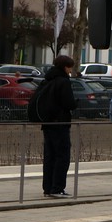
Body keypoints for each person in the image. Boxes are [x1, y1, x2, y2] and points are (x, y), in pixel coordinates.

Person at [39, 55, 78, 199]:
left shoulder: (47, 80)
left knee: (49, 157)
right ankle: (58, 187)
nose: (70, 70)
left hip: (47, 124)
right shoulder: (63, 82)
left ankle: (48, 187)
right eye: (70, 67)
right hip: (60, 124)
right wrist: (75, 104)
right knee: (62, 157)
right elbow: (69, 103)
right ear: (65, 67)